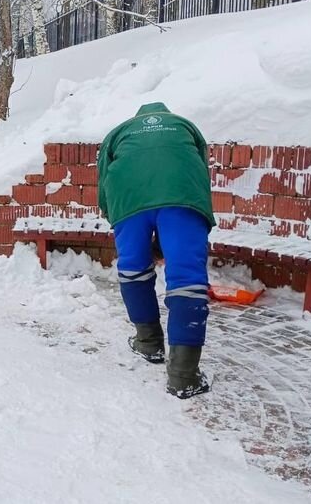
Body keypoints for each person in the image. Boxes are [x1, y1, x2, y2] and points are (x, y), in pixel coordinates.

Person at [96, 102, 215, 399]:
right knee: (187, 277)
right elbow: (200, 170)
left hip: (127, 198)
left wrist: (116, 216)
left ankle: (148, 343)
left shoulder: (119, 132)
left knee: (133, 267)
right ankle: (183, 376)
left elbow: (103, 182)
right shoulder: (185, 125)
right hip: (182, 196)